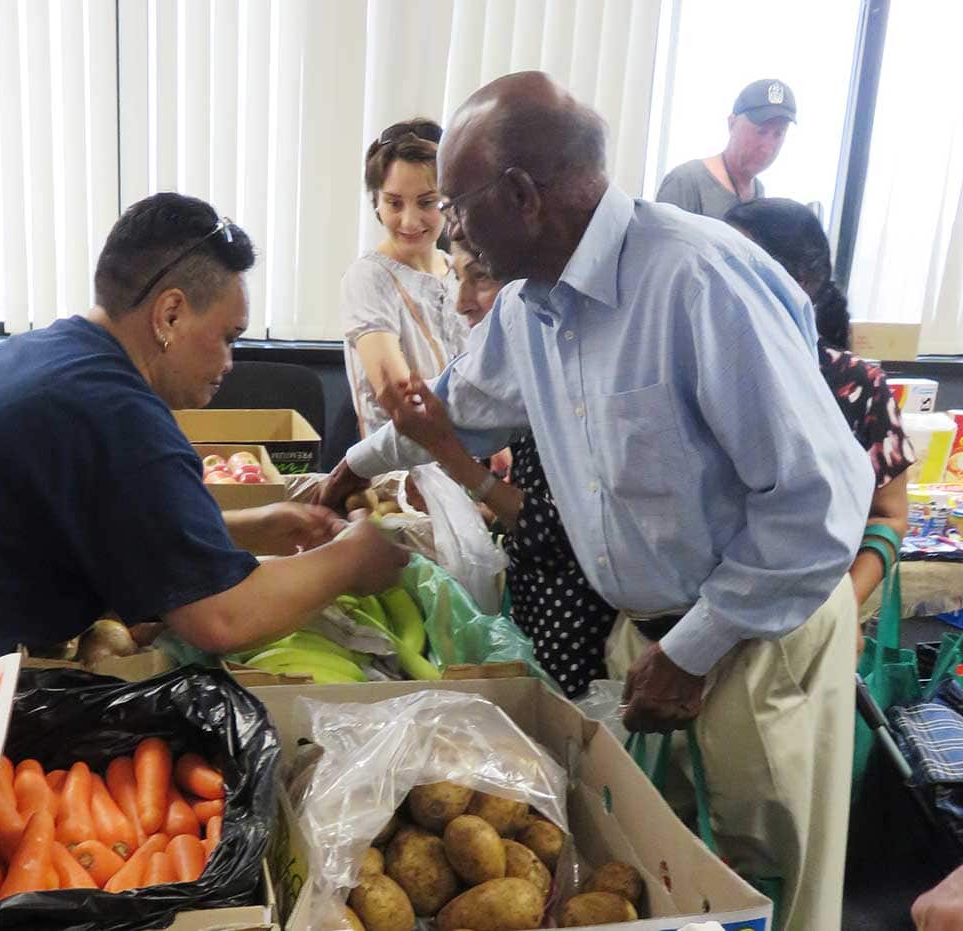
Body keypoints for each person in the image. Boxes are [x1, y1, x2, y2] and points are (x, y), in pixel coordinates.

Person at [317, 71, 873, 931]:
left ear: (522, 195)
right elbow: (456, 403)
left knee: (768, 884)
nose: (448, 228)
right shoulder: (533, 305)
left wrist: (694, 647)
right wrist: (350, 469)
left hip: (758, 631)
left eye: (457, 205)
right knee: (667, 868)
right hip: (653, 633)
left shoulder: (697, 280)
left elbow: (822, 500)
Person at [0, 192, 408, 905]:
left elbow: (101, 521)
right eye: (227, 335)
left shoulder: (61, 356)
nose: (231, 360)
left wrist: (254, 524)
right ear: (168, 314)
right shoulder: (120, 414)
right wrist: (358, 556)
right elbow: (221, 617)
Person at [396, 241, 618, 697]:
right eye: (458, 277)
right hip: (539, 605)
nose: (462, 303)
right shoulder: (533, 369)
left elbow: (560, 529)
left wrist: (453, 460)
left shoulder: (570, 373)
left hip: (573, 620)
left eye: (480, 277)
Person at [725, 198, 913, 622]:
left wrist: (842, 608)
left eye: (735, 266)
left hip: (809, 621)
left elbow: (888, 515)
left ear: (800, 282)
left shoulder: (856, 385)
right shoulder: (696, 369)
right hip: (689, 618)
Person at [341, 118, 468, 436]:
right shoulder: (368, 278)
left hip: (468, 462)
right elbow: (399, 400)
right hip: (402, 471)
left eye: (427, 202)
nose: (409, 222)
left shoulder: (463, 273)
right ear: (376, 201)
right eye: (394, 203)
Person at [656, 79, 796, 219]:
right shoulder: (685, 182)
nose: (767, 146)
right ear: (732, 123)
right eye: (761, 132)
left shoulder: (759, 193)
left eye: (778, 134)